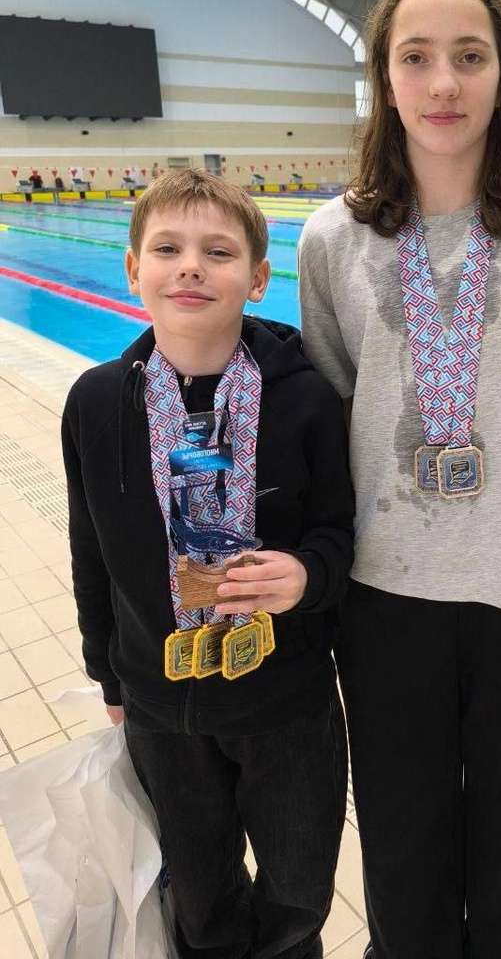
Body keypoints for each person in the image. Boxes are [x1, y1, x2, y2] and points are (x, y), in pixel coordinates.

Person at [298, 0, 501, 959]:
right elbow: (333, 412)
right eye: (417, 57)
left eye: (470, 57)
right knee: (403, 835)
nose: (444, 83)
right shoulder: (332, 239)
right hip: (384, 590)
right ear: (386, 78)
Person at [62, 168, 354, 959]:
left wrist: (307, 575)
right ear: (133, 269)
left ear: (257, 279)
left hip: (285, 702)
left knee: (297, 893)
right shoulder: (96, 404)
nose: (191, 266)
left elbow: (340, 531)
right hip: (161, 704)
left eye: (218, 252)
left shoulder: (305, 399)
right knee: (198, 899)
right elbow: (89, 549)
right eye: (168, 249)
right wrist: (109, 679)